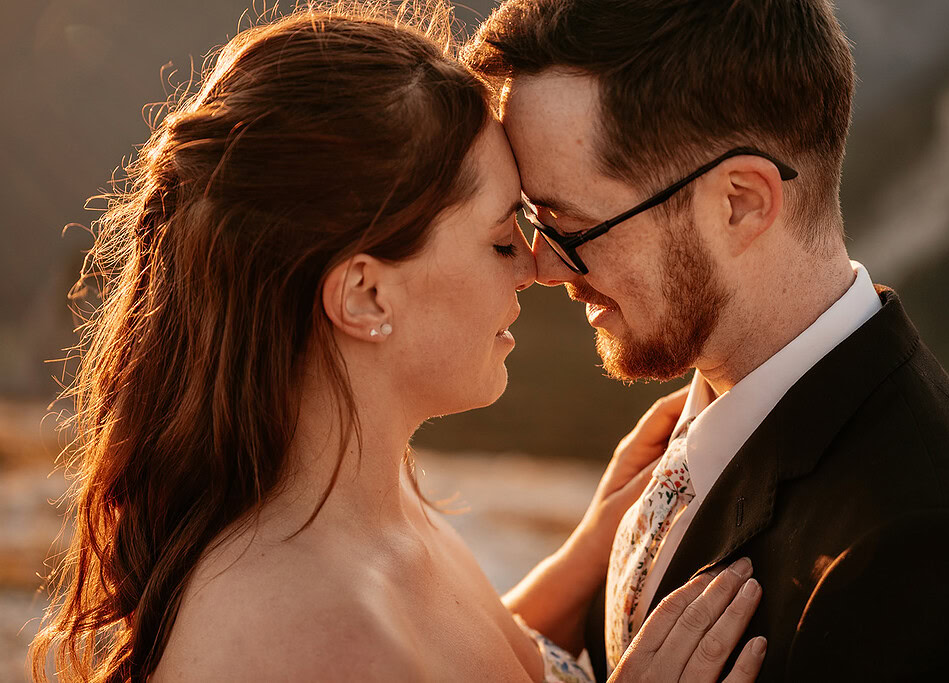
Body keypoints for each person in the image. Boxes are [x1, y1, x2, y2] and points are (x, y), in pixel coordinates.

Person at [29, 3, 768, 681]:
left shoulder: (366, 513)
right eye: (498, 238)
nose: (535, 267)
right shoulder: (294, 638)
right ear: (364, 294)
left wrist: (589, 556)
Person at [463, 0, 949, 679]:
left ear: (740, 202)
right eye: (529, 218)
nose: (543, 266)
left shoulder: (918, 549)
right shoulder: (689, 431)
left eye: (570, 227)